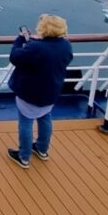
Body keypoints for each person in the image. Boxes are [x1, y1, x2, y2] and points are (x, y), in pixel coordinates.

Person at [6, 14, 73, 169]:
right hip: (51, 91)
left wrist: (20, 40)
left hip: (29, 92)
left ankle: (23, 156)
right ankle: (42, 149)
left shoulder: (36, 47)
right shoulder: (65, 45)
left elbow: (15, 57)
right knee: (44, 117)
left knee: (26, 122)